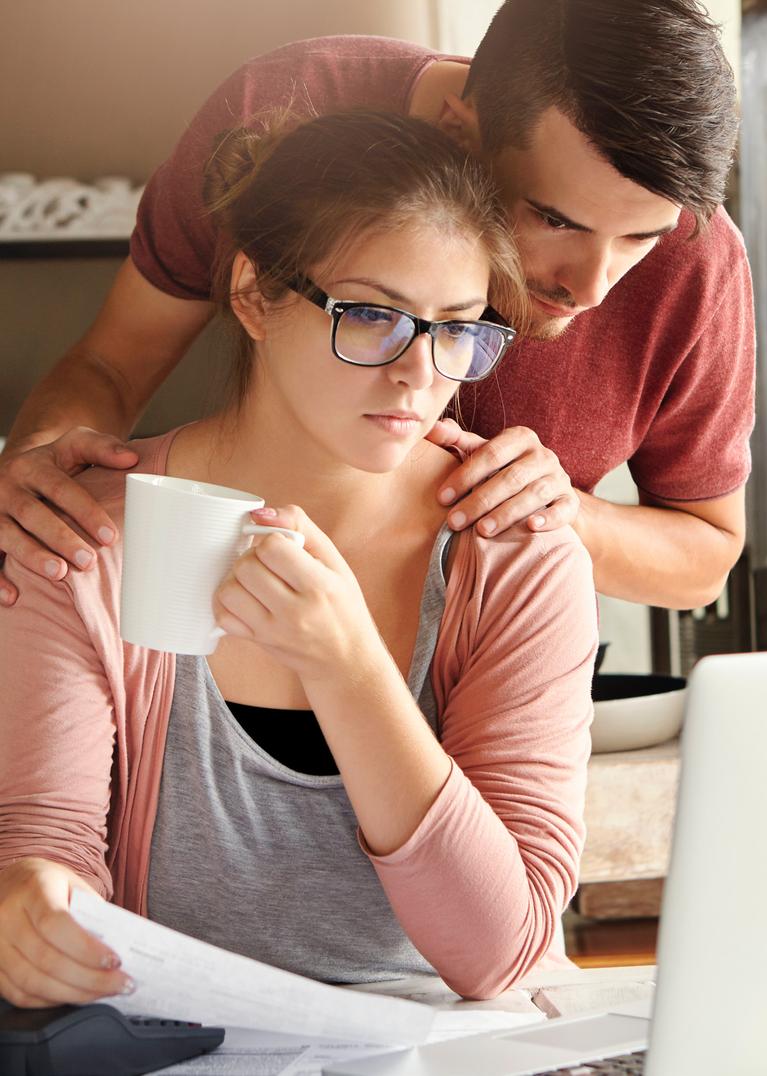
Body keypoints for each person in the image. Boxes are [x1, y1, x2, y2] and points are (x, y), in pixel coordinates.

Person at [0, 111, 598, 1007]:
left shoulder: (515, 552)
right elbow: (49, 848)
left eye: (456, 328)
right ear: (253, 294)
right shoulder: (83, 537)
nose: (416, 374)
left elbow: (501, 953)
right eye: (370, 316)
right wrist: (31, 903)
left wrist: (347, 665)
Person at [0, 0, 754, 613]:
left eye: (641, 239)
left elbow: (704, 560)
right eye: (556, 220)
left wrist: (565, 512)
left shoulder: (699, 253)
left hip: (491, 663)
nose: (591, 288)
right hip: (222, 616)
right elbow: (111, 361)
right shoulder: (284, 109)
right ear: (459, 131)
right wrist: (38, 477)